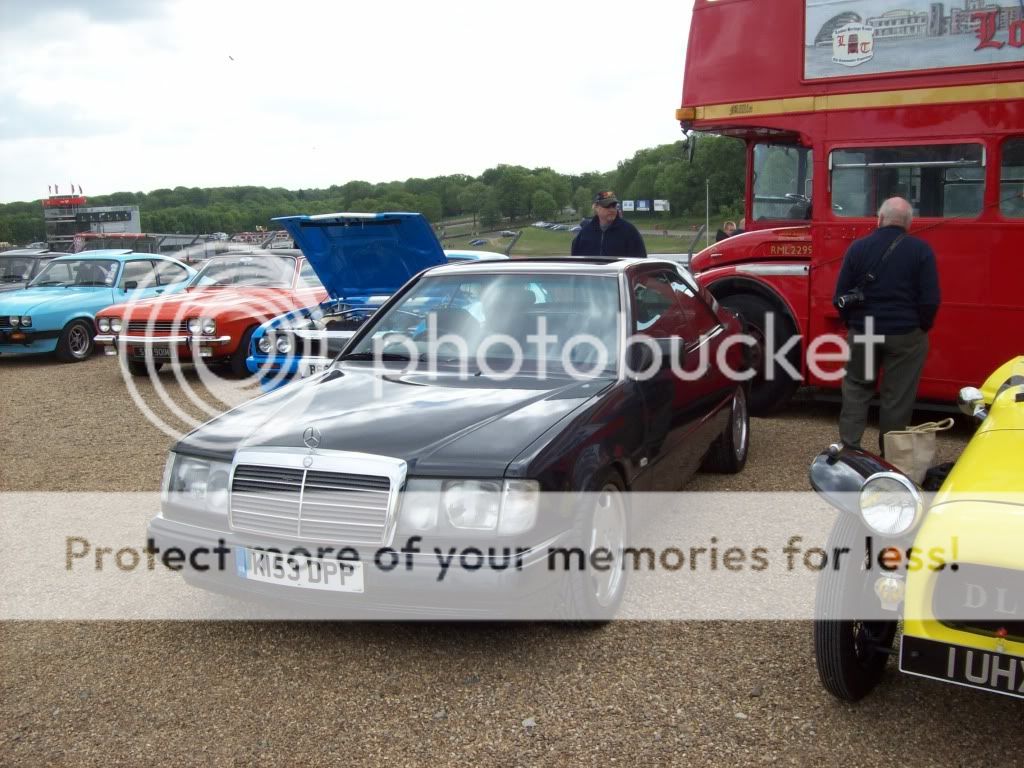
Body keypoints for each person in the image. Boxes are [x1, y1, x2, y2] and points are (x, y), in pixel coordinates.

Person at [834, 197, 940, 452]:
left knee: (857, 388)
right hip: (906, 334)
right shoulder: (921, 250)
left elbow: (839, 295)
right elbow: (930, 300)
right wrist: (919, 327)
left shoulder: (858, 248)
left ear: (879, 219)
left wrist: (854, 324)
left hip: (864, 330)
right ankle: (890, 457)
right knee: (897, 398)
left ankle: (850, 449)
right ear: (909, 224)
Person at [570, 191, 647, 257]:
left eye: (614, 206)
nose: (612, 210)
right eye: (607, 206)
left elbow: (639, 262)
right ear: (596, 207)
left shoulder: (629, 231)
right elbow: (576, 263)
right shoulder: (585, 232)